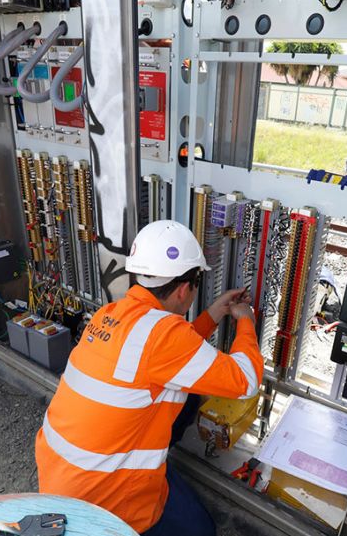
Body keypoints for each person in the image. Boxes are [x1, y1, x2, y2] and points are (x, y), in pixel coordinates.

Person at [35, 220, 264, 536]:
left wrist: (213, 313)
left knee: (188, 396)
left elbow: (167, 360)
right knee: (201, 531)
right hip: (104, 497)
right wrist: (246, 322)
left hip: (61, 476)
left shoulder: (111, 314)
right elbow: (245, 379)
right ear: (185, 288)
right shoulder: (166, 336)